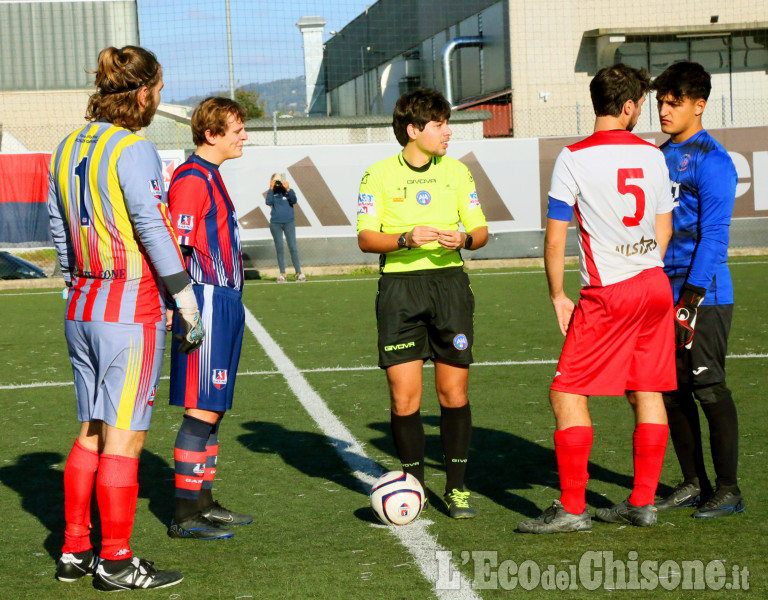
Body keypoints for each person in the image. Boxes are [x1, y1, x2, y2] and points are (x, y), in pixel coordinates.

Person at [48, 46, 204, 590]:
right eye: (158, 89)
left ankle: (74, 550)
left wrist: (75, 279)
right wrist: (183, 298)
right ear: (143, 92)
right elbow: (151, 226)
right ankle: (115, 560)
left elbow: (58, 226)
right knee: (126, 436)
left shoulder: (66, 145)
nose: (159, 99)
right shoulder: (134, 148)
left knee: (90, 429)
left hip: (80, 303)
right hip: (127, 304)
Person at [517, 64, 676, 534]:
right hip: (654, 283)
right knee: (646, 389)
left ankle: (571, 508)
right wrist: (645, 264)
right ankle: (642, 503)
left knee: (565, 392)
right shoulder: (652, 154)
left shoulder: (573, 157)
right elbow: (665, 225)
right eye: (642, 104)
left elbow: (554, 239)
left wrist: (557, 295)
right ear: (628, 106)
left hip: (610, 292)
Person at [357, 88, 488, 519]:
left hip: (449, 286)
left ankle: (457, 489)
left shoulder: (457, 172)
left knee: (453, 392)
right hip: (400, 291)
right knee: (404, 398)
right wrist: (404, 239)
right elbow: (365, 238)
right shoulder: (376, 175)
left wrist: (464, 239)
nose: (448, 132)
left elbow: (480, 231)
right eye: (440, 124)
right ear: (414, 130)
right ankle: (411, 483)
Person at [652, 62, 744, 518]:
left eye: (674, 103)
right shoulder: (658, 154)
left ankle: (728, 490)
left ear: (699, 105)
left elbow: (714, 237)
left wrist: (689, 299)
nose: (664, 110)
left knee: (708, 388)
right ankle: (693, 483)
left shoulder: (713, 160)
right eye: (661, 102)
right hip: (660, 290)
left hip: (702, 294)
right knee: (671, 391)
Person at [165, 97, 254, 539]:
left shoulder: (210, 175)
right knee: (201, 409)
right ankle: (184, 514)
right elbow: (175, 248)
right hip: (204, 302)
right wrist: (178, 307)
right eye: (236, 130)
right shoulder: (192, 178)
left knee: (214, 408)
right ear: (212, 134)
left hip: (226, 301)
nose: (244, 136)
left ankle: (203, 501)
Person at [266, 173, 305, 282]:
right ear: (272, 182)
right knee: (280, 248)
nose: (278, 182)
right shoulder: (272, 193)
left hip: (289, 223)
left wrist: (288, 189)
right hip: (276, 224)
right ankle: (282, 274)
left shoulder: (287, 191)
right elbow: (268, 202)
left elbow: (294, 200)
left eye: (280, 180)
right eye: (276, 180)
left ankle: (299, 273)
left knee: (293, 247)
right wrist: (271, 188)